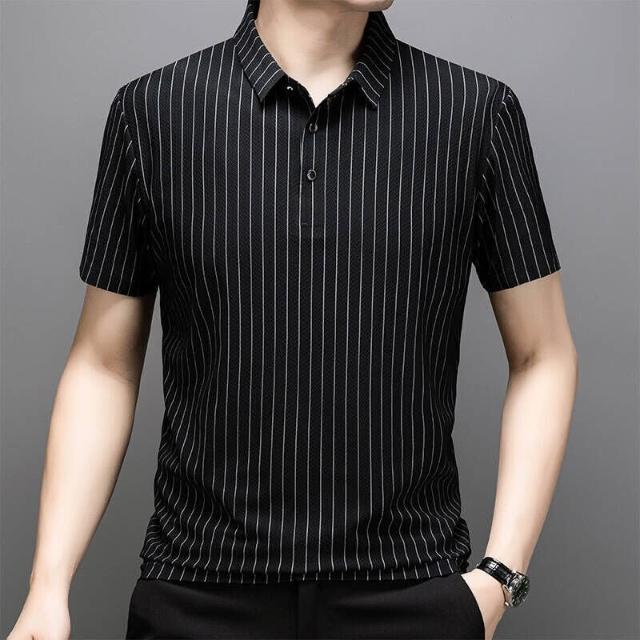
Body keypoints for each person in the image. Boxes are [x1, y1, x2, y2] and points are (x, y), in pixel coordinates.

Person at [8, 0, 578, 638]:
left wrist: (501, 576)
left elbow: (543, 353)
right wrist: (48, 585)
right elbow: (102, 363)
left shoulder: (474, 112)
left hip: (410, 592)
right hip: (198, 597)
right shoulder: (154, 112)